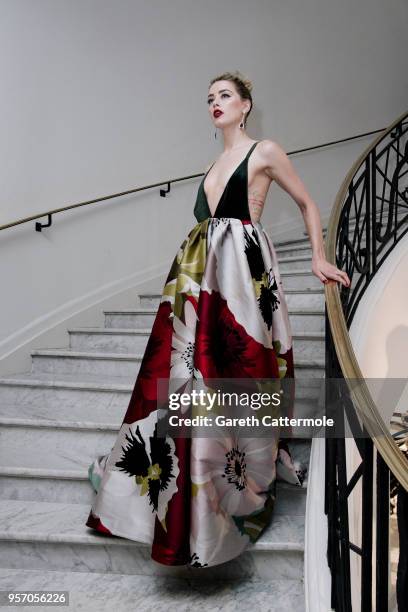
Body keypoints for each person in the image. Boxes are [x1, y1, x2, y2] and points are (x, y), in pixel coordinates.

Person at [85, 70, 350, 568]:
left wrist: (317, 256)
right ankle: (179, 494)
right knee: (183, 377)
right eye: (210, 97)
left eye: (225, 95)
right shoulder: (212, 162)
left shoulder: (264, 151)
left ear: (246, 104)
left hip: (241, 272)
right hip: (196, 274)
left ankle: (227, 491)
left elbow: (309, 203)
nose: (216, 103)